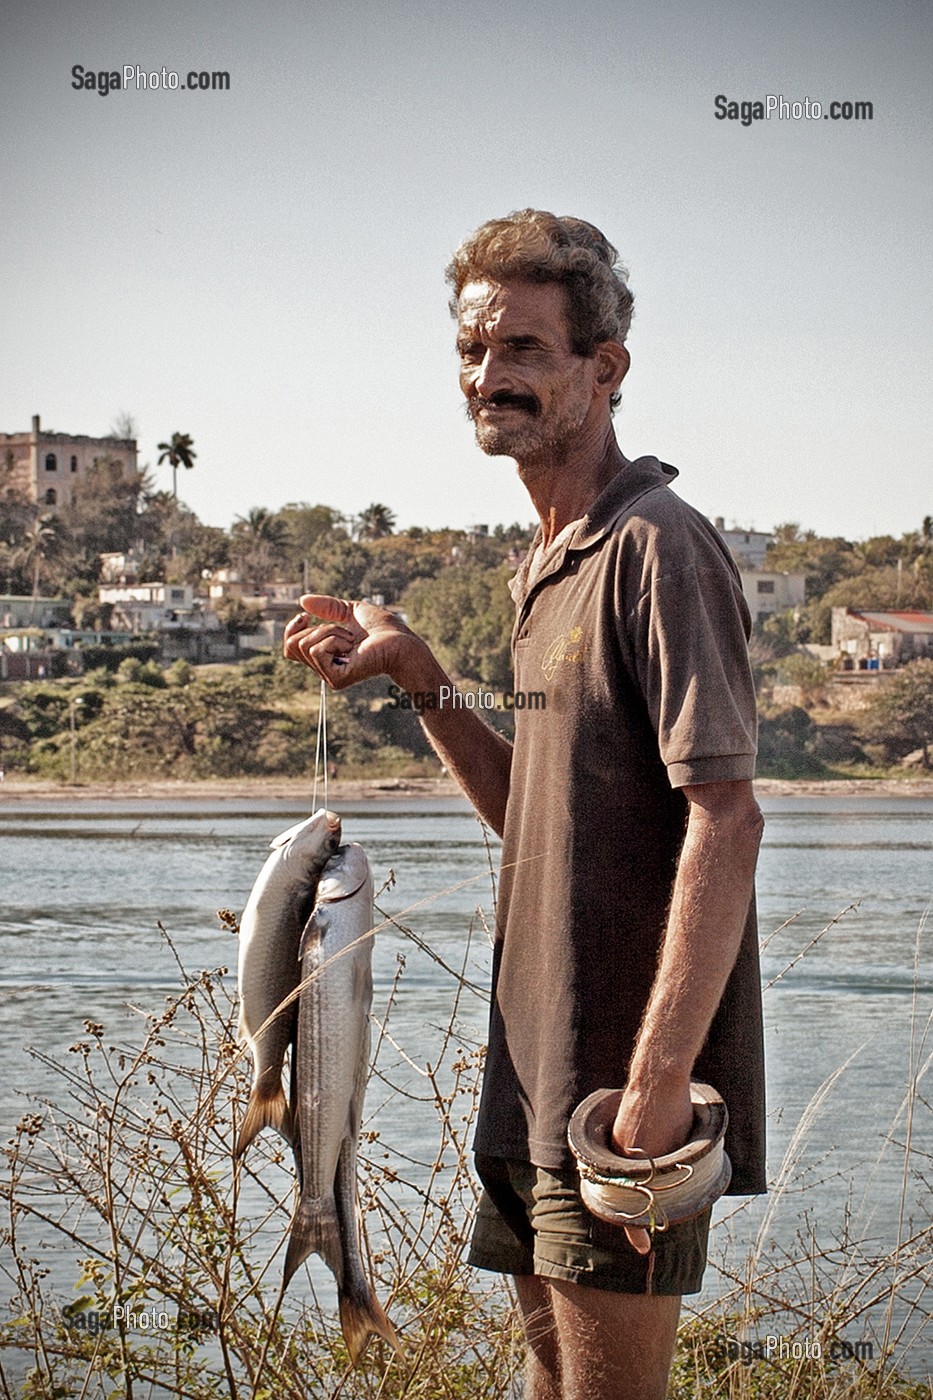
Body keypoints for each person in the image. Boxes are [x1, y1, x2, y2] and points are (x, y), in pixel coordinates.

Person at [284, 209, 765, 1400]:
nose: (488, 377)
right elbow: (533, 810)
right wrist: (423, 676)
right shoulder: (545, 564)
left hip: (615, 1092)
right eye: (472, 352)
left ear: (604, 369)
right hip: (531, 1070)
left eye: (525, 351)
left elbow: (729, 816)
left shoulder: (657, 548)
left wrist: (656, 1083)